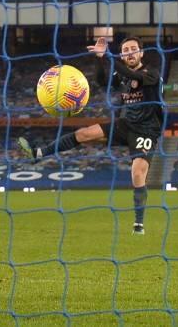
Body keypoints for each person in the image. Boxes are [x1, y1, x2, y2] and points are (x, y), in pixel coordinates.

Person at [17, 37, 162, 235]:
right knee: (84, 133)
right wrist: (99, 58)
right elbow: (101, 81)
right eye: (125, 50)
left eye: (133, 49)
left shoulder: (151, 73)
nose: (129, 53)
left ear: (141, 53)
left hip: (146, 129)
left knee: (137, 174)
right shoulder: (122, 74)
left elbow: (130, 74)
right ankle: (39, 153)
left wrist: (109, 56)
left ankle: (138, 224)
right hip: (125, 124)